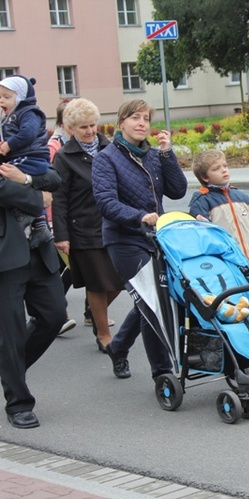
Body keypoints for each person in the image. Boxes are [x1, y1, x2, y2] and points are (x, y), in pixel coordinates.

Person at [92, 99, 187, 380]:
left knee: (153, 298)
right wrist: (140, 216)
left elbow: (178, 190)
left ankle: (118, 347)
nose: (141, 123)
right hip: (123, 239)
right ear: (121, 122)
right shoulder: (105, 158)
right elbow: (106, 202)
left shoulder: (154, 156)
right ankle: (163, 374)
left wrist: (168, 155)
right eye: (135, 117)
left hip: (156, 238)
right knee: (151, 300)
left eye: (145, 118)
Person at [52, 98, 123, 354]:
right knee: (97, 283)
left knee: (120, 280)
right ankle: (104, 335)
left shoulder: (110, 148)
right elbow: (58, 199)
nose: (91, 131)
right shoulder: (64, 156)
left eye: (93, 125)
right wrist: (61, 235)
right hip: (81, 229)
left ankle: (96, 315)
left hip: (113, 225)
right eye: (83, 127)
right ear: (71, 128)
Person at [0, 156, 66, 429]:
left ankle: (9, 368)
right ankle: (19, 403)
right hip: (5, 258)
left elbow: (53, 177)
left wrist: (25, 179)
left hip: (39, 249)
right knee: (10, 332)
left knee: (54, 316)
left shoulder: (15, 147)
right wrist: (38, 196)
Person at [0, 75, 53, 249]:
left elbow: (28, 134)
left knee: (9, 175)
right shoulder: (10, 116)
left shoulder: (28, 112)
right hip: (24, 157)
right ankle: (39, 223)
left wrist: (8, 145)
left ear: (21, 97)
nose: (1, 101)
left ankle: (30, 218)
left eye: (7, 97)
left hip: (32, 158)